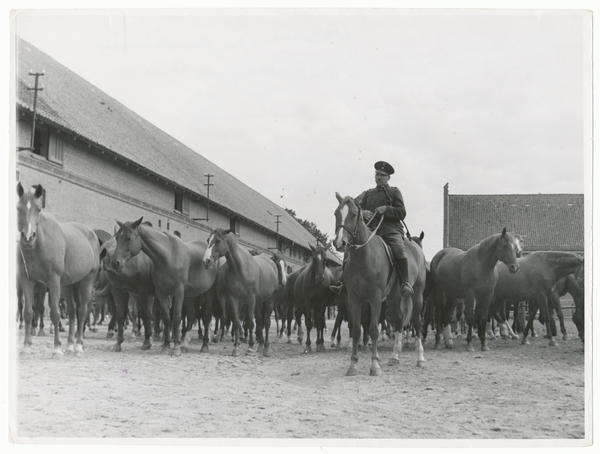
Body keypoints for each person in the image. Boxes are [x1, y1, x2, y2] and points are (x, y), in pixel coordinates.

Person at [330, 160, 414, 297]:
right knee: (350, 248)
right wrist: (361, 213)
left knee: (399, 249)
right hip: (370, 231)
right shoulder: (367, 194)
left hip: (391, 230)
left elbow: (401, 212)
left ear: (388, 178)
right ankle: (343, 282)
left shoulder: (394, 192)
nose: (379, 177)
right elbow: (352, 208)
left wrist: (386, 209)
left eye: (382, 175)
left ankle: (405, 282)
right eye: (377, 174)